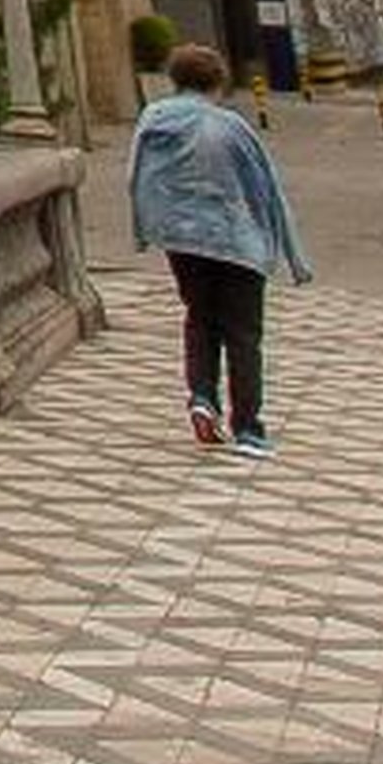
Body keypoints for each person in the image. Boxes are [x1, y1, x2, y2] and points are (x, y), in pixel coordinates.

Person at [127, 41, 310, 457]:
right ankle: (248, 427)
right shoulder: (230, 126)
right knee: (243, 333)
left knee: (200, 318)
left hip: (182, 239)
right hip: (235, 240)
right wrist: (290, 255)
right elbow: (266, 189)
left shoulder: (154, 119)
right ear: (219, 81)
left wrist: (143, 230)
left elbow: (137, 176)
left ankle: (202, 397)